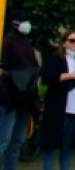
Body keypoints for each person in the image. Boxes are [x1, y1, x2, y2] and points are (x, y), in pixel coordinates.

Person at [40, 31, 75, 170]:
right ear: (64, 43)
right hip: (58, 107)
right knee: (51, 143)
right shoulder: (57, 59)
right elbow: (49, 77)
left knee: (67, 146)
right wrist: (71, 76)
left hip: (74, 107)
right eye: (72, 41)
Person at [0, 9, 40, 170]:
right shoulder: (6, 43)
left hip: (25, 98)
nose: (27, 25)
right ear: (14, 23)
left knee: (16, 142)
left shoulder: (26, 44)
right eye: (24, 21)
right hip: (9, 98)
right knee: (4, 140)